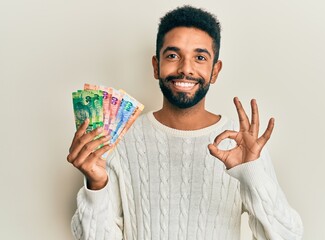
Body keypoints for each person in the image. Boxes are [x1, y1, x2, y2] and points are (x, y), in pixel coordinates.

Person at [67, 5, 303, 240]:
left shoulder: (241, 144)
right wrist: (96, 186)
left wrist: (252, 173)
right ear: (156, 66)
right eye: (172, 55)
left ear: (215, 71)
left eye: (200, 57)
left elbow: (289, 237)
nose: (185, 69)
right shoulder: (119, 138)